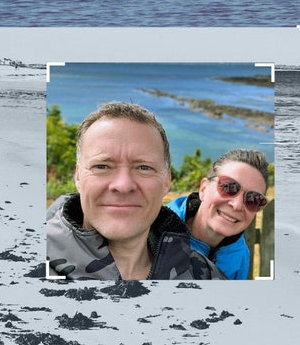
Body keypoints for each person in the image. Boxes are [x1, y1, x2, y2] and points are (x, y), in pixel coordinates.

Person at [46, 101, 225, 280]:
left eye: (144, 168)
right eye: (102, 166)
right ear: (78, 176)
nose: (123, 185)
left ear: (166, 181)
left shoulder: (205, 275)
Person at [167, 149, 271, 280]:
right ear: (203, 189)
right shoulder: (153, 234)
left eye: (254, 199)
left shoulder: (239, 254)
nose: (237, 205)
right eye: (228, 187)